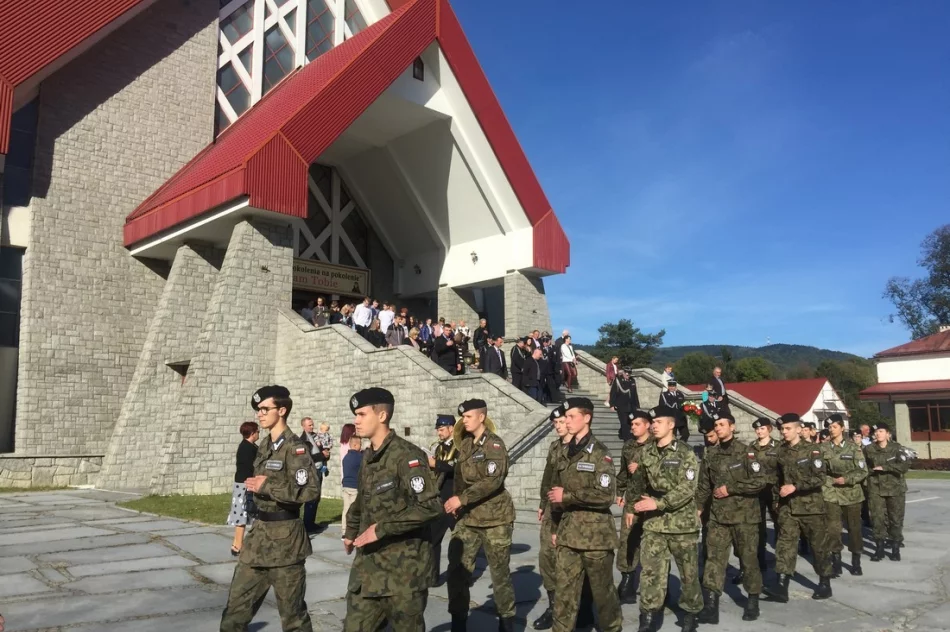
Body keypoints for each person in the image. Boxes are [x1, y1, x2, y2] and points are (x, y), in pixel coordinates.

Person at [220, 385, 321, 632]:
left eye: (265, 409)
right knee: (234, 612)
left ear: (282, 410)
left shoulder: (295, 448)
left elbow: (310, 490)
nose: (259, 414)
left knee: (294, 618)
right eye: (258, 409)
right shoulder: (265, 445)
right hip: (259, 538)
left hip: (286, 542)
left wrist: (268, 486)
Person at [342, 388, 442, 631]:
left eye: (362, 414)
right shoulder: (369, 456)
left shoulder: (407, 456)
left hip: (403, 575)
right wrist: (350, 530)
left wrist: (382, 528)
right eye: (356, 414)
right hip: (369, 570)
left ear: (382, 416)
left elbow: (430, 506)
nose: (356, 420)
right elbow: (362, 500)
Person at [546, 397, 622, 632]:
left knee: (603, 595)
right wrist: (555, 528)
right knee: (564, 594)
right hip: (568, 535)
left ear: (586, 418)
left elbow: (606, 495)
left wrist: (567, 496)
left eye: (571, 417)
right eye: (565, 417)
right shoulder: (564, 452)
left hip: (595, 538)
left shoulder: (600, 453)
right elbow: (554, 494)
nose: (567, 421)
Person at [444, 399, 516, 632]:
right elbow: (459, 476)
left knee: (499, 575)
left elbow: (493, 480)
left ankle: (506, 622)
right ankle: (458, 621)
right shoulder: (465, 445)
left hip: (496, 518)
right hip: (470, 517)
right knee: (457, 569)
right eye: (462, 417)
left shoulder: (494, 445)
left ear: (481, 417)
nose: (463, 421)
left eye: (467, 417)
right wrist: (457, 501)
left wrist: (462, 499)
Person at [633, 405, 702, 632]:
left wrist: (660, 502)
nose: (653, 426)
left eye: (658, 422)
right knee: (651, 571)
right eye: (652, 422)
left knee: (688, 573)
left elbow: (688, 487)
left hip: (681, 523)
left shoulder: (685, 452)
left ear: (671, 425)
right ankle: (649, 614)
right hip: (654, 523)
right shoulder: (647, 452)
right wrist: (633, 509)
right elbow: (638, 483)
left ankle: (690, 613)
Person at [696, 413, 767, 623]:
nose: (718, 428)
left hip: (744, 517)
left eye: (721, 425)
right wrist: (698, 507)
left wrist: (731, 489)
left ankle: (753, 600)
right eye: (716, 425)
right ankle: (710, 605)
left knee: (748, 560)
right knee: (714, 560)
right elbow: (703, 485)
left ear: (732, 427)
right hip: (718, 518)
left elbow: (760, 481)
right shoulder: (711, 454)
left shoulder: (747, 452)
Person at [763, 413, 833, 603]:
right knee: (785, 546)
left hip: (811, 507)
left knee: (818, 546)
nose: (783, 432)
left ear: (798, 429)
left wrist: (795, 486)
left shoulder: (813, 450)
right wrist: (776, 501)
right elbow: (777, 478)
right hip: (788, 508)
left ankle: (824, 582)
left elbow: (820, 478)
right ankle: (781, 586)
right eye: (782, 429)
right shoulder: (780, 451)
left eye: (787, 428)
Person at [534, 404, 570, 629]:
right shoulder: (555, 447)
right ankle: (553, 605)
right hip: (551, 508)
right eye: (555, 424)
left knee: (570, 560)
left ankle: (577, 605)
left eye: (561, 422)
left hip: (571, 509)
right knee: (547, 557)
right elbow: (548, 476)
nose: (558, 426)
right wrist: (541, 502)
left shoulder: (580, 448)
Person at [820, 413, 868, 577]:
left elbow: (863, 471)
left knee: (854, 528)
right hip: (831, 492)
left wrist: (846, 479)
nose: (831, 430)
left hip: (851, 494)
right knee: (833, 529)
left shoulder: (853, 447)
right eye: (829, 427)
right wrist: (828, 481)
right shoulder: (823, 448)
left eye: (834, 427)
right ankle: (836, 561)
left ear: (842, 428)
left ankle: (856, 561)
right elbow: (820, 470)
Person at [616, 409, 654, 605]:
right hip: (632, 499)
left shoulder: (657, 444)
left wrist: (641, 468)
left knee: (652, 542)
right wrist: (619, 492)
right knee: (627, 540)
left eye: (637, 424)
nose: (633, 427)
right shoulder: (628, 446)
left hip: (653, 501)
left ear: (648, 425)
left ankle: (656, 585)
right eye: (631, 425)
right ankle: (627, 580)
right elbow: (623, 472)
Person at [864, 422, 911, 562]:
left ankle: (895, 548)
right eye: (876, 432)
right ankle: (879, 548)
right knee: (877, 519)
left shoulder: (897, 449)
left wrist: (885, 467)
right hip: (876, 489)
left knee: (895, 519)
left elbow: (904, 466)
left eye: (881, 431)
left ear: (888, 434)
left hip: (895, 489)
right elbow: (864, 467)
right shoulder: (869, 449)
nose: (878, 434)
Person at [428, 414, 459, 586]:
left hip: (454, 497)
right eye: (438, 430)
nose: (439, 433)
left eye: (441, 429)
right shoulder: (440, 447)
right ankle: (433, 577)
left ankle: (460, 577)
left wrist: (436, 464)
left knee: (460, 540)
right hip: (440, 499)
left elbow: (457, 466)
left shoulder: (460, 445)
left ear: (451, 428)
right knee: (433, 538)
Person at [748, 417, 780, 576]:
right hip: (757, 492)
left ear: (769, 430)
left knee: (779, 525)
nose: (759, 431)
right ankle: (760, 560)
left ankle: (781, 562)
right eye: (757, 429)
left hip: (774, 491)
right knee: (758, 528)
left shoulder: (779, 447)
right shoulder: (751, 447)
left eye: (762, 429)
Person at [228, 421, 260, 556]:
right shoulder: (247, 448)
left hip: (243, 483)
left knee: (242, 515)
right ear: (252, 433)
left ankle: (237, 544)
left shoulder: (249, 446)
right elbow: (250, 468)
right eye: (257, 431)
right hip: (244, 485)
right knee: (241, 515)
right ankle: (238, 545)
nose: (259, 433)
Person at [299, 417, 327, 533]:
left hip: (320, 469)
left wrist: (326, 454)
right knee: (311, 498)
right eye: (309, 425)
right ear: (303, 426)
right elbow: (306, 458)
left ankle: (311, 522)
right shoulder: (303, 440)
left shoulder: (316, 437)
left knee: (316, 498)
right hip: (312, 471)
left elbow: (322, 450)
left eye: (312, 424)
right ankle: (307, 524)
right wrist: (321, 455)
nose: (312, 427)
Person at [609, 368, 640, 441]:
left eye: (629, 372)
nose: (627, 374)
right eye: (626, 372)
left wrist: (637, 405)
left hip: (631, 405)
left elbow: (635, 394)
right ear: (623, 372)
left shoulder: (632, 380)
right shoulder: (618, 380)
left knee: (630, 421)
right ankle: (627, 439)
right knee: (624, 422)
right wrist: (612, 404)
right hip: (621, 405)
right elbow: (613, 393)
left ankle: (624, 434)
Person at [340, 435, 362, 538]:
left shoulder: (346, 457)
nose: (360, 446)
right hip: (355, 486)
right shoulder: (359, 457)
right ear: (355, 445)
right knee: (355, 511)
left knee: (346, 509)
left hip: (345, 486)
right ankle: (353, 532)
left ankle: (344, 531)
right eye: (360, 444)